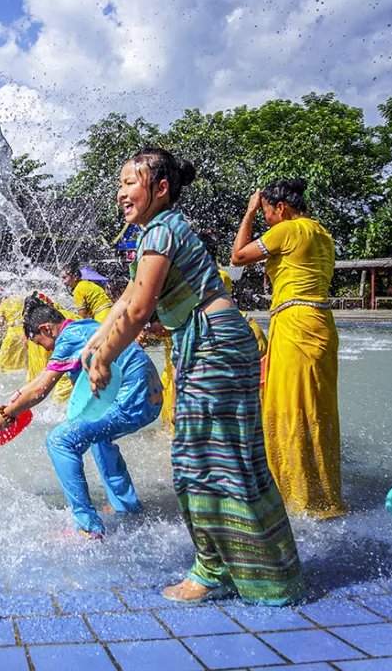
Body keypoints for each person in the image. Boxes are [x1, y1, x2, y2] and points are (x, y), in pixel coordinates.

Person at [85, 148, 304, 605]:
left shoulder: (161, 231)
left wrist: (105, 358)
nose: (122, 192)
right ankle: (252, 568)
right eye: (120, 184)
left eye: (131, 183)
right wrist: (95, 341)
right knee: (223, 459)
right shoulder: (157, 232)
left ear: (160, 188)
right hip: (214, 342)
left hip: (213, 345)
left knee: (198, 461)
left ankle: (214, 569)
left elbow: (142, 310)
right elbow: (128, 295)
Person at [0, 294, 162, 538]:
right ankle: (126, 507)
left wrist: (4, 416)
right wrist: (13, 402)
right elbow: (39, 382)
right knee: (99, 438)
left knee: (59, 441)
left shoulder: (68, 338)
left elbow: (41, 390)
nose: (46, 350)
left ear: (46, 328)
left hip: (132, 401)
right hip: (151, 398)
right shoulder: (85, 327)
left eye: (42, 344)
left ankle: (87, 527)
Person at [230, 178, 345, 519]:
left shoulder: (288, 229)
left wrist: (248, 213)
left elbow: (237, 257)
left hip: (296, 324)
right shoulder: (322, 233)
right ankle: (323, 493)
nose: (265, 218)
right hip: (320, 324)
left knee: (290, 407)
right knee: (317, 409)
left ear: (280, 208)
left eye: (266, 211)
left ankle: (297, 498)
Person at [0, 295, 28, 374]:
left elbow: (0, 322)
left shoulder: (1, 306)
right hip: (26, 332)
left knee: (3, 363)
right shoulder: (19, 300)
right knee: (24, 359)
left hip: (12, 336)